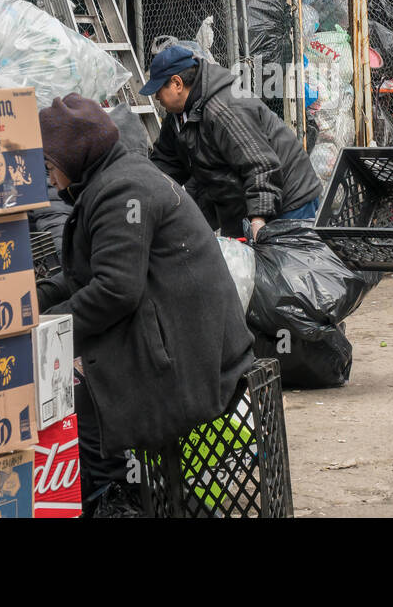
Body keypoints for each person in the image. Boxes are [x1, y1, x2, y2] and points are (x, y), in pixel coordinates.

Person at [37, 93, 255, 513]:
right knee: (77, 403)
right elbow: (93, 269)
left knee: (78, 417)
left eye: (50, 161)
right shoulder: (113, 180)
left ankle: (121, 501)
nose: (47, 173)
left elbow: (116, 289)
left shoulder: (123, 191)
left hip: (191, 359)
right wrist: (39, 298)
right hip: (181, 342)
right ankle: (127, 495)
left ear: (74, 154)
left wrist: (46, 329)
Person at [142, 44, 323, 239]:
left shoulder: (224, 109)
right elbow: (165, 163)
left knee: (287, 265)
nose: (156, 96)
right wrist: (138, 190)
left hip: (290, 198)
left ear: (177, 84)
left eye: (159, 89)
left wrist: (258, 218)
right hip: (240, 204)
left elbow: (261, 165)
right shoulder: (179, 118)